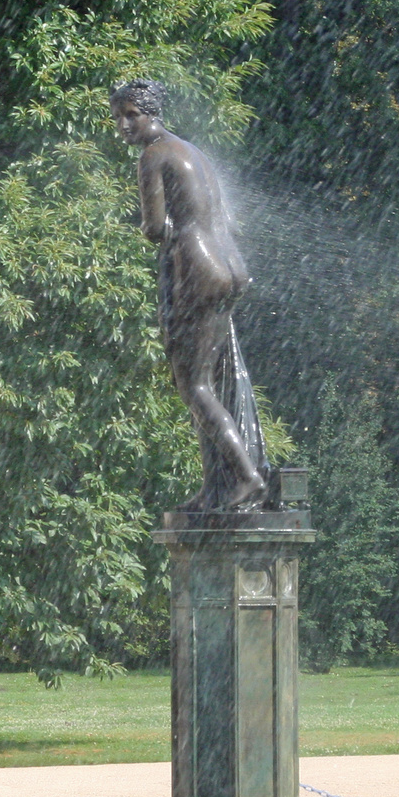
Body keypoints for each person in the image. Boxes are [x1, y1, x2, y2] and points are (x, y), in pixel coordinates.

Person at [111, 79, 268, 511]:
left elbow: (154, 228)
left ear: (151, 114)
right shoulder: (194, 153)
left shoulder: (153, 155)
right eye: (118, 117)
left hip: (198, 272)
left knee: (194, 386)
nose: (124, 125)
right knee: (211, 384)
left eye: (131, 115)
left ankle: (246, 476)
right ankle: (216, 487)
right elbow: (224, 217)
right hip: (230, 267)